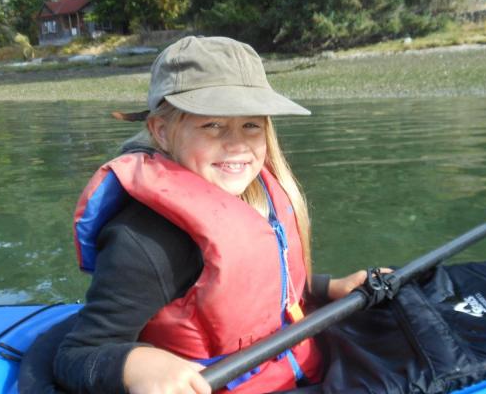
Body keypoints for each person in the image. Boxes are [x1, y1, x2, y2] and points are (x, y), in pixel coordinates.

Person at [56, 36, 374, 394]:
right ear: (161, 131)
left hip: (302, 371)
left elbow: (269, 280)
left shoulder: (252, 193)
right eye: (213, 125)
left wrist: (329, 287)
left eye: (250, 125)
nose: (237, 144)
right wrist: (136, 364)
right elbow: (77, 354)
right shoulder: (145, 242)